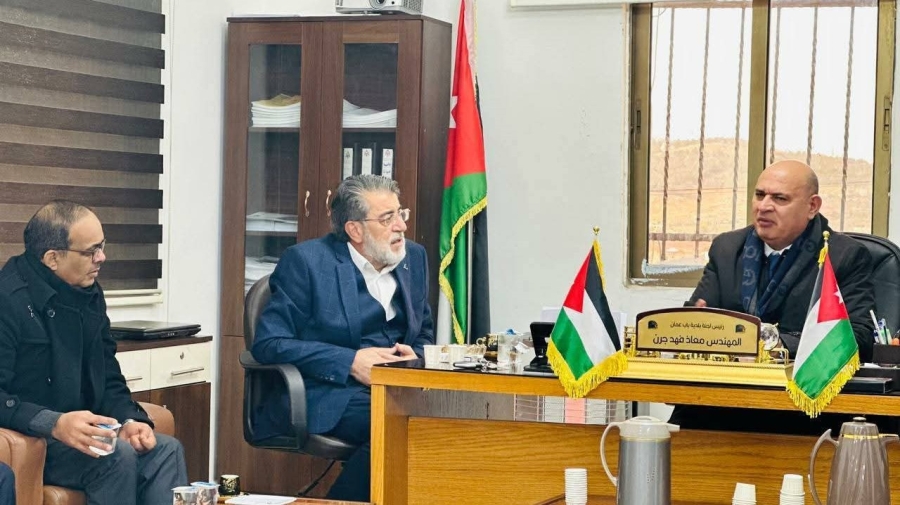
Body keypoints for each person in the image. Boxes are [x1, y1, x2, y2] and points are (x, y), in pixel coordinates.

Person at [252, 174, 435, 501]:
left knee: (452, 421)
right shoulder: (307, 262)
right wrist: (350, 362)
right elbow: (269, 344)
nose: (402, 226)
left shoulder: (414, 258)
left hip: (396, 388)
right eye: (387, 218)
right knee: (399, 424)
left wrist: (416, 356)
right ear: (355, 230)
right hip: (329, 391)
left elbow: (424, 332)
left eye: (400, 213)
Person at [0, 201, 187, 504]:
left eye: (102, 246)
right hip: (37, 437)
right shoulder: (8, 300)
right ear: (52, 258)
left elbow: (109, 376)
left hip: (87, 434)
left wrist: (129, 420)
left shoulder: (90, 294)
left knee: (165, 450)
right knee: (115, 456)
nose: (102, 257)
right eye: (91, 251)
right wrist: (54, 423)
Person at [670, 160, 877, 434]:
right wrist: (693, 326)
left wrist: (769, 343)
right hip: (722, 403)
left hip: (798, 407)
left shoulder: (843, 256)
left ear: (812, 206)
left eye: (780, 198)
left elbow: (857, 338)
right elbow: (698, 316)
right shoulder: (727, 248)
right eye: (759, 195)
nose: (764, 206)